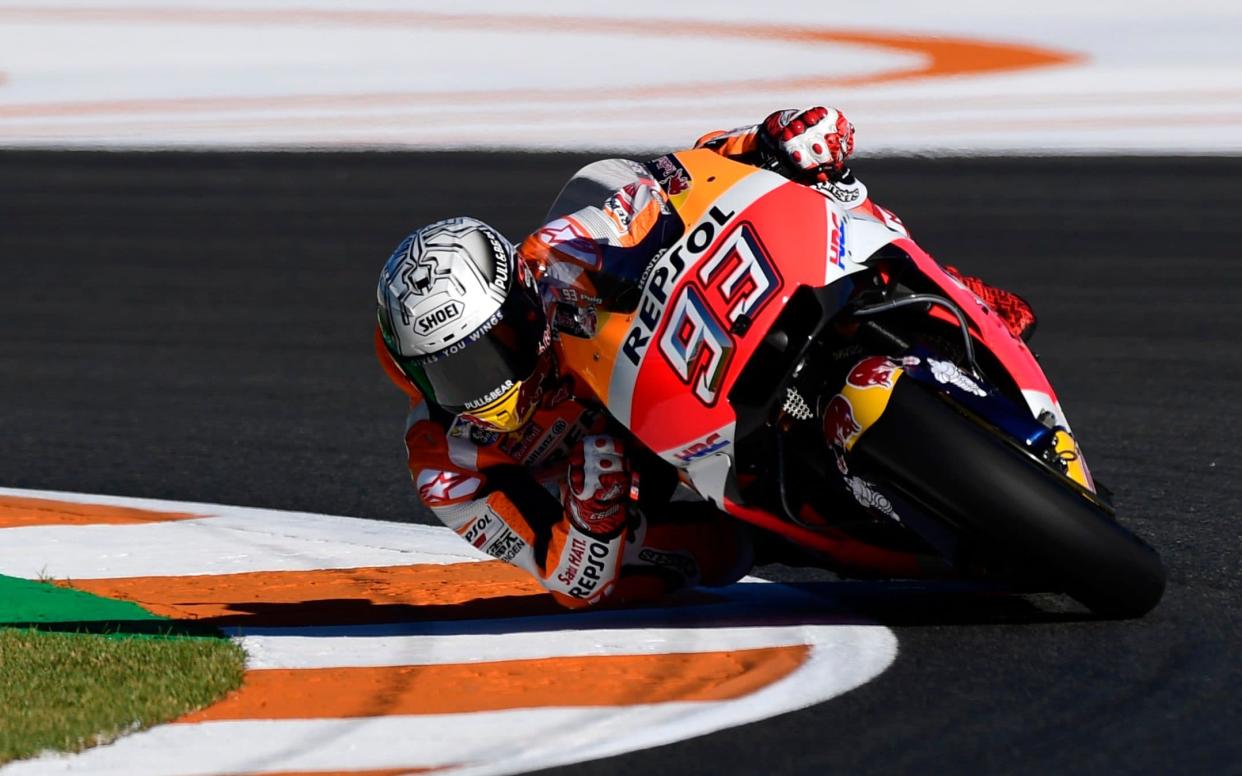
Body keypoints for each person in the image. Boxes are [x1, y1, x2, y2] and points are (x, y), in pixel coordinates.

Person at [375, 107, 1035, 609]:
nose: (487, 383)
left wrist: (773, 140)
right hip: (644, 488)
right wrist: (592, 517)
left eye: (496, 348)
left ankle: (945, 297)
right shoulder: (443, 467)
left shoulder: (557, 252)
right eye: (453, 373)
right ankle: (816, 529)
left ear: (521, 303)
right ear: (412, 377)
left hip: (680, 360)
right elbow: (568, 582)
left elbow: (680, 177)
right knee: (692, 559)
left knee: (829, 196)